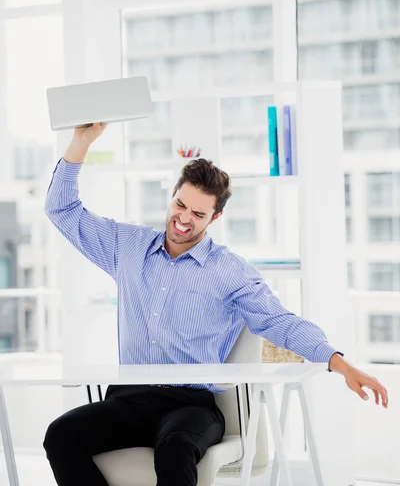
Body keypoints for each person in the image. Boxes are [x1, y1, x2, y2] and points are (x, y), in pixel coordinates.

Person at [43, 122, 388, 486]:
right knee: (61, 434)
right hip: (130, 398)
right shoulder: (125, 247)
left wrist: (339, 362)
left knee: (175, 450)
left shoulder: (229, 271)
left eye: (198, 214)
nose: (183, 219)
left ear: (216, 217)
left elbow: (279, 321)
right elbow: (61, 209)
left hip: (192, 406)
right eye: (180, 204)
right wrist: (81, 142)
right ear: (173, 193)